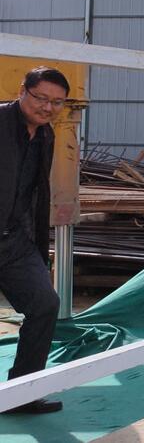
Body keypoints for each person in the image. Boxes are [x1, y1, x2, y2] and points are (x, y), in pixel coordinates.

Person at [0, 67, 69, 415]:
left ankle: (21, 394)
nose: (47, 107)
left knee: (44, 304)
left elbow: (35, 195)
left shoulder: (46, 136)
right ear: (21, 91)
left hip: (14, 241)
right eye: (41, 98)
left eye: (56, 102)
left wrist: (39, 250)